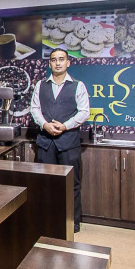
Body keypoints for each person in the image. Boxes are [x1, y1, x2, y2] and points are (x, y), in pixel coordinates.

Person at [30, 48, 90, 234]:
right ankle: (46, 221)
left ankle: (72, 222)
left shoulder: (78, 85)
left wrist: (65, 126)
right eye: (54, 60)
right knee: (45, 184)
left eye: (61, 59)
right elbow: (34, 109)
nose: (58, 63)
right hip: (45, 143)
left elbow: (84, 112)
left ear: (68, 63)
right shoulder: (40, 85)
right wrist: (44, 124)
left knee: (72, 184)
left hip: (69, 143)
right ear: (49, 64)